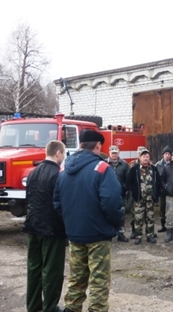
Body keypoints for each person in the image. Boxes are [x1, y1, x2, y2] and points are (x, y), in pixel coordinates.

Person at [54, 130, 124, 312]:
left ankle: (72, 308)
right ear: (98, 146)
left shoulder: (63, 170)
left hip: (75, 234)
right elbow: (112, 202)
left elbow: (57, 201)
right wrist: (116, 224)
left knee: (76, 277)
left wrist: (70, 222)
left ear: (80, 145)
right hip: (98, 235)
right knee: (99, 280)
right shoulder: (102, 168)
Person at [24, 140, 67, 312]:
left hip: (33, 226)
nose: (63, 157)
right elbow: (61, 203)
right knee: (52, 270)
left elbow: (29, 198)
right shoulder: (58, 174)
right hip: (52, 229)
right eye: (63, 154)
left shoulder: (33, 172)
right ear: (58, 153)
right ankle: (50, 307)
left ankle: (33, 306)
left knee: (34, 268)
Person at [127, 149, 161, 245]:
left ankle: (150, 235)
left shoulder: (154, 169)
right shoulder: (135, 169)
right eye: (143, 156)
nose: (145, 158)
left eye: (147, 156)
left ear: (149, 158)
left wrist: (156, 195)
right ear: (140, 158)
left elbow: (158, 183)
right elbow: (129, 183)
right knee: (138, 219)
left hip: (150, 199)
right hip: (139, 199)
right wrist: (134, 192)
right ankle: (138, 236)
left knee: (150, 218)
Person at [106, 145, 130, 243]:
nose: (114, 155)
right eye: (112, 153)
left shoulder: (124, 164)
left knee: (121, 214)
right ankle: (109, 234)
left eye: (116, 153)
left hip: (121, 194)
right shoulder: (104, 163)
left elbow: (128, 178)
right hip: (107, 195)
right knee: (107, 214)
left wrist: (124, 187)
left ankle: (120, 234)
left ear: (119, 153)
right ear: (109, 153)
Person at [156, 145, 173, 233]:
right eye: (166, 154)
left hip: (171, 191)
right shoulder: (158, 165)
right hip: (162, 191)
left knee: (172, 208)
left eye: (169, 154)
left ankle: (172, 225)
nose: (167, 155)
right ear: (163, 155)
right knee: (162, 208)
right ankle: (163, 226)